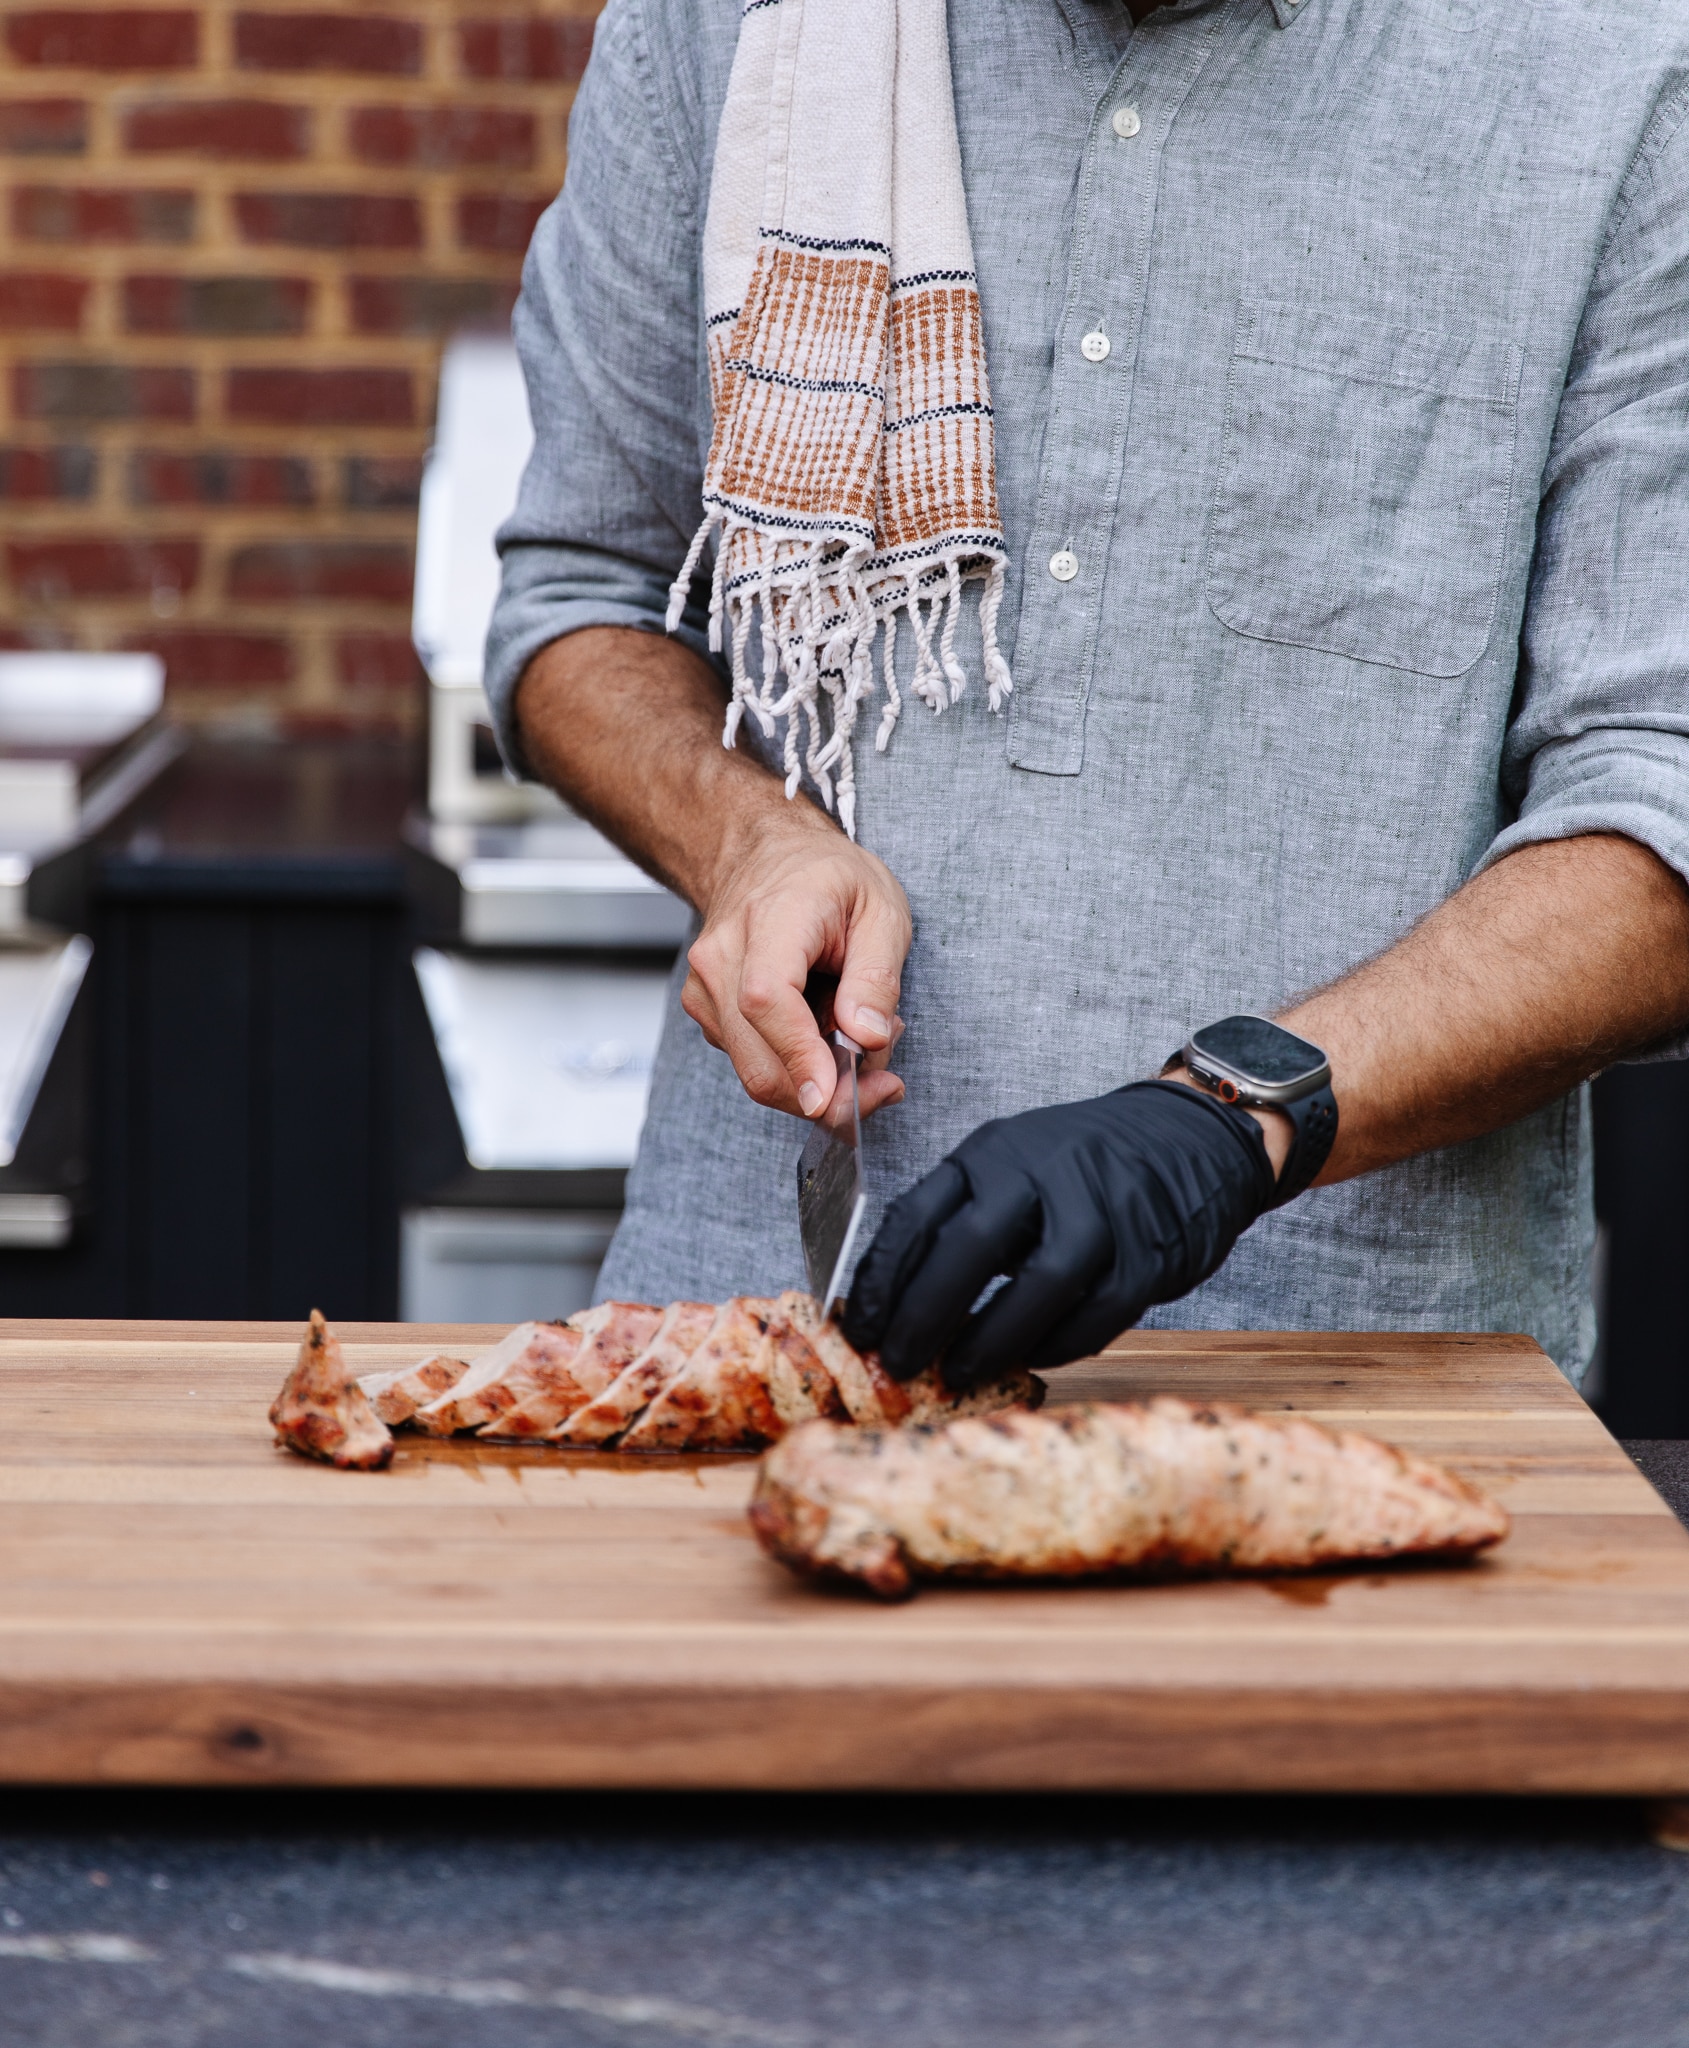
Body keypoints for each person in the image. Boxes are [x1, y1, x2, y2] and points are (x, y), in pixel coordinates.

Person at [487, 0, 1689, 1391]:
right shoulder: (727, 26)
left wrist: (1233, 1117)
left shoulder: (1618, 71)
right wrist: (743, 836)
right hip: (752, 1351)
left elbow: (1657, 801)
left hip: (1357, 1387)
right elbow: (583, 594)